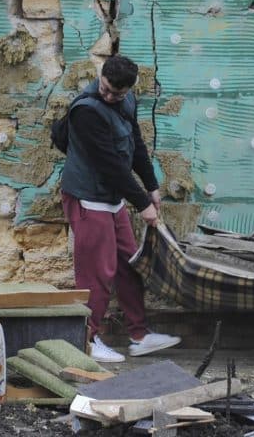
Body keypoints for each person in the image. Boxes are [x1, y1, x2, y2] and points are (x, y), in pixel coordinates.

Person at [60, 55, 181, 363]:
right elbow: (110, 166)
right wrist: (142, 204)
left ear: (129, 89)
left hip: (111, 200)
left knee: (130, 263)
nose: (109, 96)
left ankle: (139, 336)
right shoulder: (86, 111)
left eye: (117, 93)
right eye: (106, 88)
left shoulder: (127, 102)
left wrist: (152, 186)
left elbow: (136, 145)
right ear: (101, 77)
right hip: (88, 199)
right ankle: (87, 340)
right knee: (96, 275)